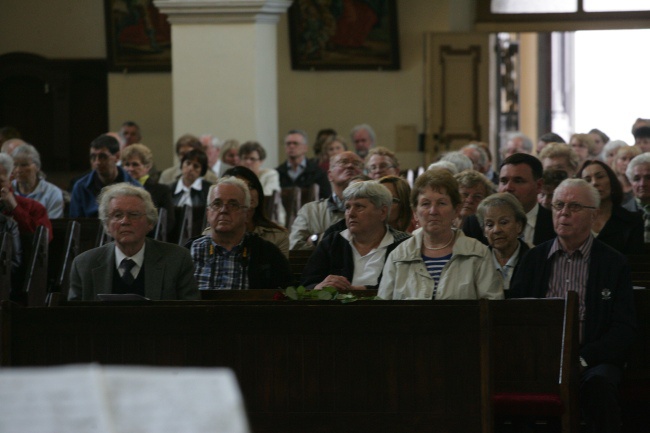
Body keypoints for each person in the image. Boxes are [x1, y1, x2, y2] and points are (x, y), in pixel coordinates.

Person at [509, 178, 636, 433]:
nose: (564, 213)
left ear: (594, 215)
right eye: (558, 205)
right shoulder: (534, 259)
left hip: (593, 359)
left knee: (599, 383)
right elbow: (514, 316)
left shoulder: (613, 263)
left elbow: (623, 329)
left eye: (574, 207)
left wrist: (583, 359)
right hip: (539, 358)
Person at [378, 170, 503, 300]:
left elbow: (491, 309)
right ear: (415, 212)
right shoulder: (398, 256)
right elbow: (383, 310)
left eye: (441, 203)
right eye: (425, 204)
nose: (433, 211)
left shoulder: (478, 253)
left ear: (456, 210)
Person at [68, 183, 200, 301]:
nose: (125, 221)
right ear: (107, 225)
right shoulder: (84, 265)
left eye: (134, 214)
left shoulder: (177, 260)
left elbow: (190, 316)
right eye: (117, 215)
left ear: (150, 222)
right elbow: (74, 321)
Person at [302, 181, 410, 290]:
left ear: (382, 212)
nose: (351, 213)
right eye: (347, 207)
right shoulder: (332, 242)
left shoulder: (404, 245)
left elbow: (406, 287)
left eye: (359, 207)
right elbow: (306, 285)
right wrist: (320, 287)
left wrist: (360, 291)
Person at [189, 177, 293, 290]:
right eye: (217, 204)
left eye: (233, 204)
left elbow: (286, 299)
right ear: (208, 213)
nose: (223, 210)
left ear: (247, 214)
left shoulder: (268, 255)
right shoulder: (189, 251)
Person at [463, 153, 555, 248]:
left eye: (518, 181)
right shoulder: (476, 224)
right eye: (503, 181)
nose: (508, 188)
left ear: (539, 185)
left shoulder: (554, 224)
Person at [289, 151, 363, 250]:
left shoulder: (373, 209)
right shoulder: (310, 211)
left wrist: (316, 239)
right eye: (343, 162)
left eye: (356, 164)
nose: (350, 165)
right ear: (330, 175)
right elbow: (294, 246)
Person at [578, 160, 644, 255]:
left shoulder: (632, 220)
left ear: (611, 181)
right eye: (588, 180)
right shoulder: (575, 220)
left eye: (600, 177)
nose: (594, 183)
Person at [221, 166, 289, 257]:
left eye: (251, 187)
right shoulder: (212, 234)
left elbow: (280, 271)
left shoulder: (277, 236)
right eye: (241, 187)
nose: (248, 192)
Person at [69, 134, 141, 218]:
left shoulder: (134, 187)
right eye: (93, 157)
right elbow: (75, 223)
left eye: (103, 157)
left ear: (117, 157)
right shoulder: (81, 187)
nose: (97, 162)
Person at [476, 193, 528, 291]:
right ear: (484, 231)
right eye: (490, 225)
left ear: (519, 225)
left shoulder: (535, 259)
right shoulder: (477, 261)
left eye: (504, 222)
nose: (496, 230)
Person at [121, 144, 175, 237]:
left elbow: (167, 224)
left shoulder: (162, 190)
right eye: (127, 164)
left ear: (147, 166)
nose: (130, 169)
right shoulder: (118, 189)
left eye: (135, 164)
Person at [0, 153, 53, 242]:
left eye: (0, 181)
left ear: (11, 179)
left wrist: (16, 209)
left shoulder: (33, 207)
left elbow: (43, 239)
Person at [11, 144, 64, 218]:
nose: (18, 170)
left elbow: (52, 224)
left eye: (24, 165)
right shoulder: (7, 190)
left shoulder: (52, 193)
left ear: (37, 167)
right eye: (15, 165)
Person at [276, 129, 331, 200]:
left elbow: (326, 199)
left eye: (295, 143)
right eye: (288, 143)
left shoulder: (318, 173)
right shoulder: (277, 173)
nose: (291, 146)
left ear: (305, 148)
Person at [625, 153, 650, 242]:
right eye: (637, 179)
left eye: (648, 177)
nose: (642, 184)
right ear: (630, 182)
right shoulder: (623, 213)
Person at [613, 145, 641, 209]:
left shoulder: (642, 185)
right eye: (623, 159)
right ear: (616, 161)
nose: (627, 163)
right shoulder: (610, 185)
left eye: (631, 159)